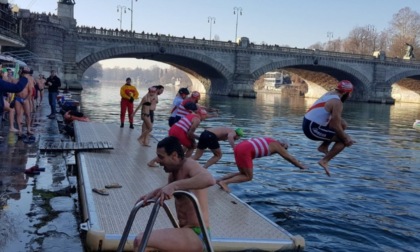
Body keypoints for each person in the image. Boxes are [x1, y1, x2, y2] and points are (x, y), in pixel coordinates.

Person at [133, 136, 216, 252]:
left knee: (140, 240)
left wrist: (174, 185)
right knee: (142, 244)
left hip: (198, 234)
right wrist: (152, 194)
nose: (157, 160)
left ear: (174, 156)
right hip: (185, 231)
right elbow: (168, 190)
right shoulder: (173, 174)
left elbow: (209, 179)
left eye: (161, 157)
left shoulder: (189, 164)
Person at [302, 80, 356, 176]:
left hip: (308, 122)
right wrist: (345, 138)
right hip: (312, 128)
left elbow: (336, 122)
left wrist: (344, 134)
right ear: (347, 93)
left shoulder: (330, 93)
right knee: (342, 142)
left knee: (343, 124)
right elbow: (335, 125)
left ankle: (324, 147)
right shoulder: (337, 103)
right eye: (350, 93)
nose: (350, 96)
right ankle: (324, 161)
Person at [217, 137, 307, 192]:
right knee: (248, 177)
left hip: (239, 147)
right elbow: (289, 158)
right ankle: (224, 182)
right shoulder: (277, 146)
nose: (285, 150)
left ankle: (220, 180)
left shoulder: (270, 139)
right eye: (285, 148)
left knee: (243, 173)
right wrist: (300, 166)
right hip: (245, 151)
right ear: (283, 144)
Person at [14, 67, 35, 135]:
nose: (25, 74)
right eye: (24, 73)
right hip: (18, 98)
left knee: (27, 114)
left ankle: (28, 129)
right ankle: (20, 130)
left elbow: (30, 92)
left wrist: (26, 99)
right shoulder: (17, 80)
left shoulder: (27, 81)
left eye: (26, 73)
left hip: (25, 99)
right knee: (18, 114)